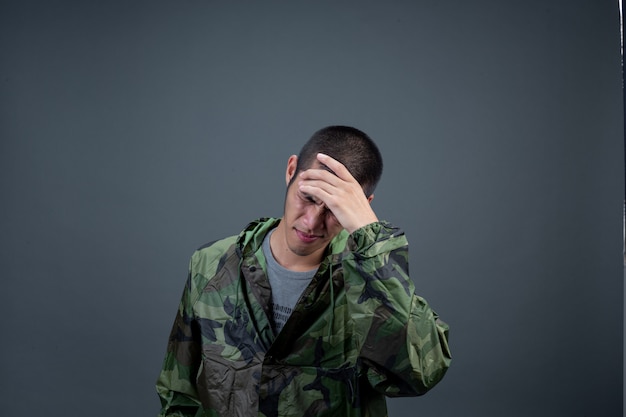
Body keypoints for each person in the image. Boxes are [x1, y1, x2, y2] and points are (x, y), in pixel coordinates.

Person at [155, 126, 451, 417]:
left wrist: (369, 234)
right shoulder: (211, 264)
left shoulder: (370, 280)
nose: (311, 223)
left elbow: (420, 373)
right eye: (308, 197)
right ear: (291, 170)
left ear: (362, 206)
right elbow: (178, 392)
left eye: (334, 208)